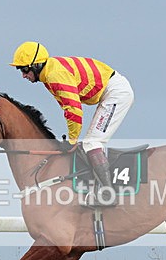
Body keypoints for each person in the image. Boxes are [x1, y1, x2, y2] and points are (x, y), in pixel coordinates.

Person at [10, 41, 135, 206]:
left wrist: (72, 140)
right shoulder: (48, 74)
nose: (23, 75)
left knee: (91, 143)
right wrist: (72, 139)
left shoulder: (55, 75)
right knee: (89, 143)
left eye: (25, 69)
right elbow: (67, 108)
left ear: (37, 65)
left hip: (116, 93)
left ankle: (108, 194)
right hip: (110, 91)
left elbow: (74, 110)